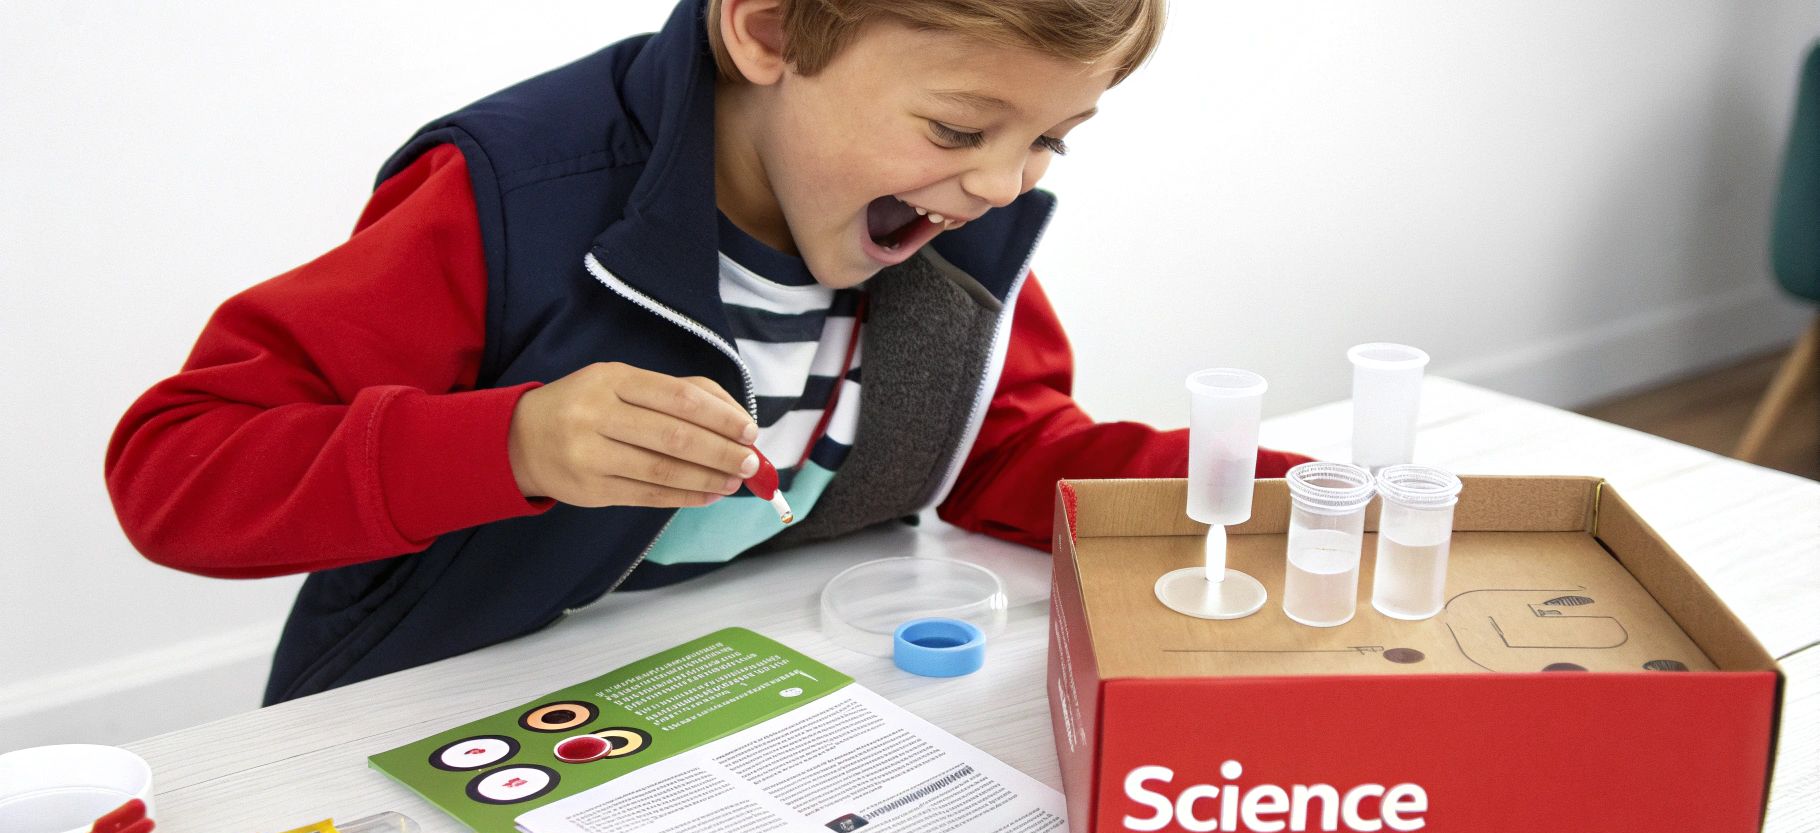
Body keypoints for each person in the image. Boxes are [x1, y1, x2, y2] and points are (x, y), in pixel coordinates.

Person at [106, 0, 1309, 703]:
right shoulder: (508, 197)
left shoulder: (946, 218)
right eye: (958, 126)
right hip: (446, 722)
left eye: (1053, 137)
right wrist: (512, 441)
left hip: (758, 699)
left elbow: (994, 453)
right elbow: (175, 469)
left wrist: (1285, 498)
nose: (999, 183)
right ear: (769, 29)